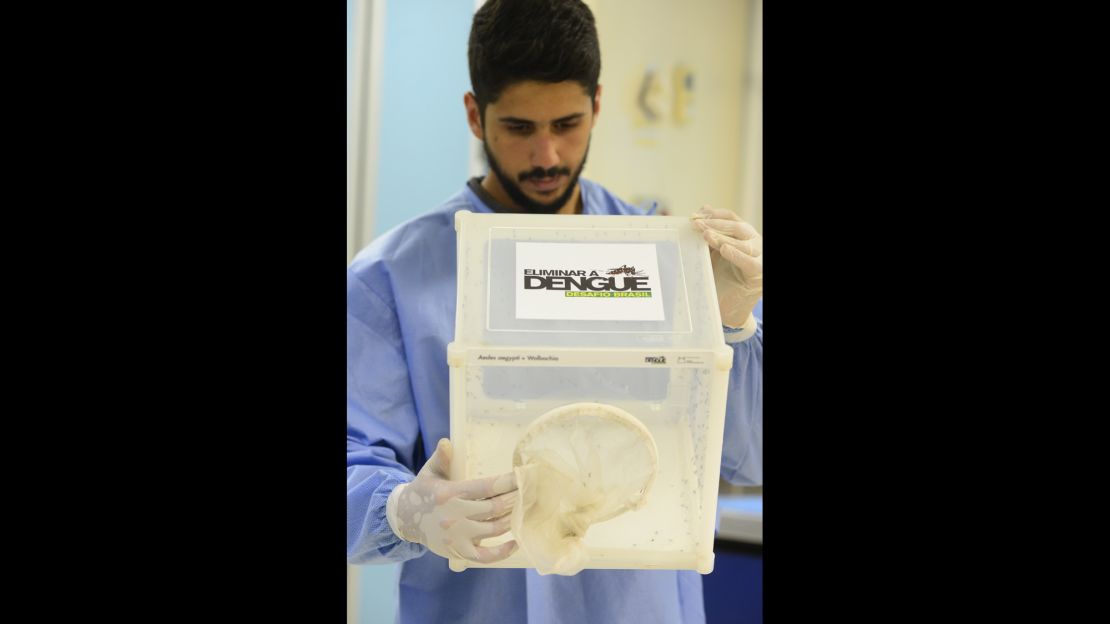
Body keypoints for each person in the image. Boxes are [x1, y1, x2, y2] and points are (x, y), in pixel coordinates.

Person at [347, 1, 762, 622]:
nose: (546, 156)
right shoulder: (391, 281)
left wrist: (732, 324)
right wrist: (407, 507)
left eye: (567, 124)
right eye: (518, 128)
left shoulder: (658, 257)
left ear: (597, 105)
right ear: (473, 115)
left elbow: (747, 457)